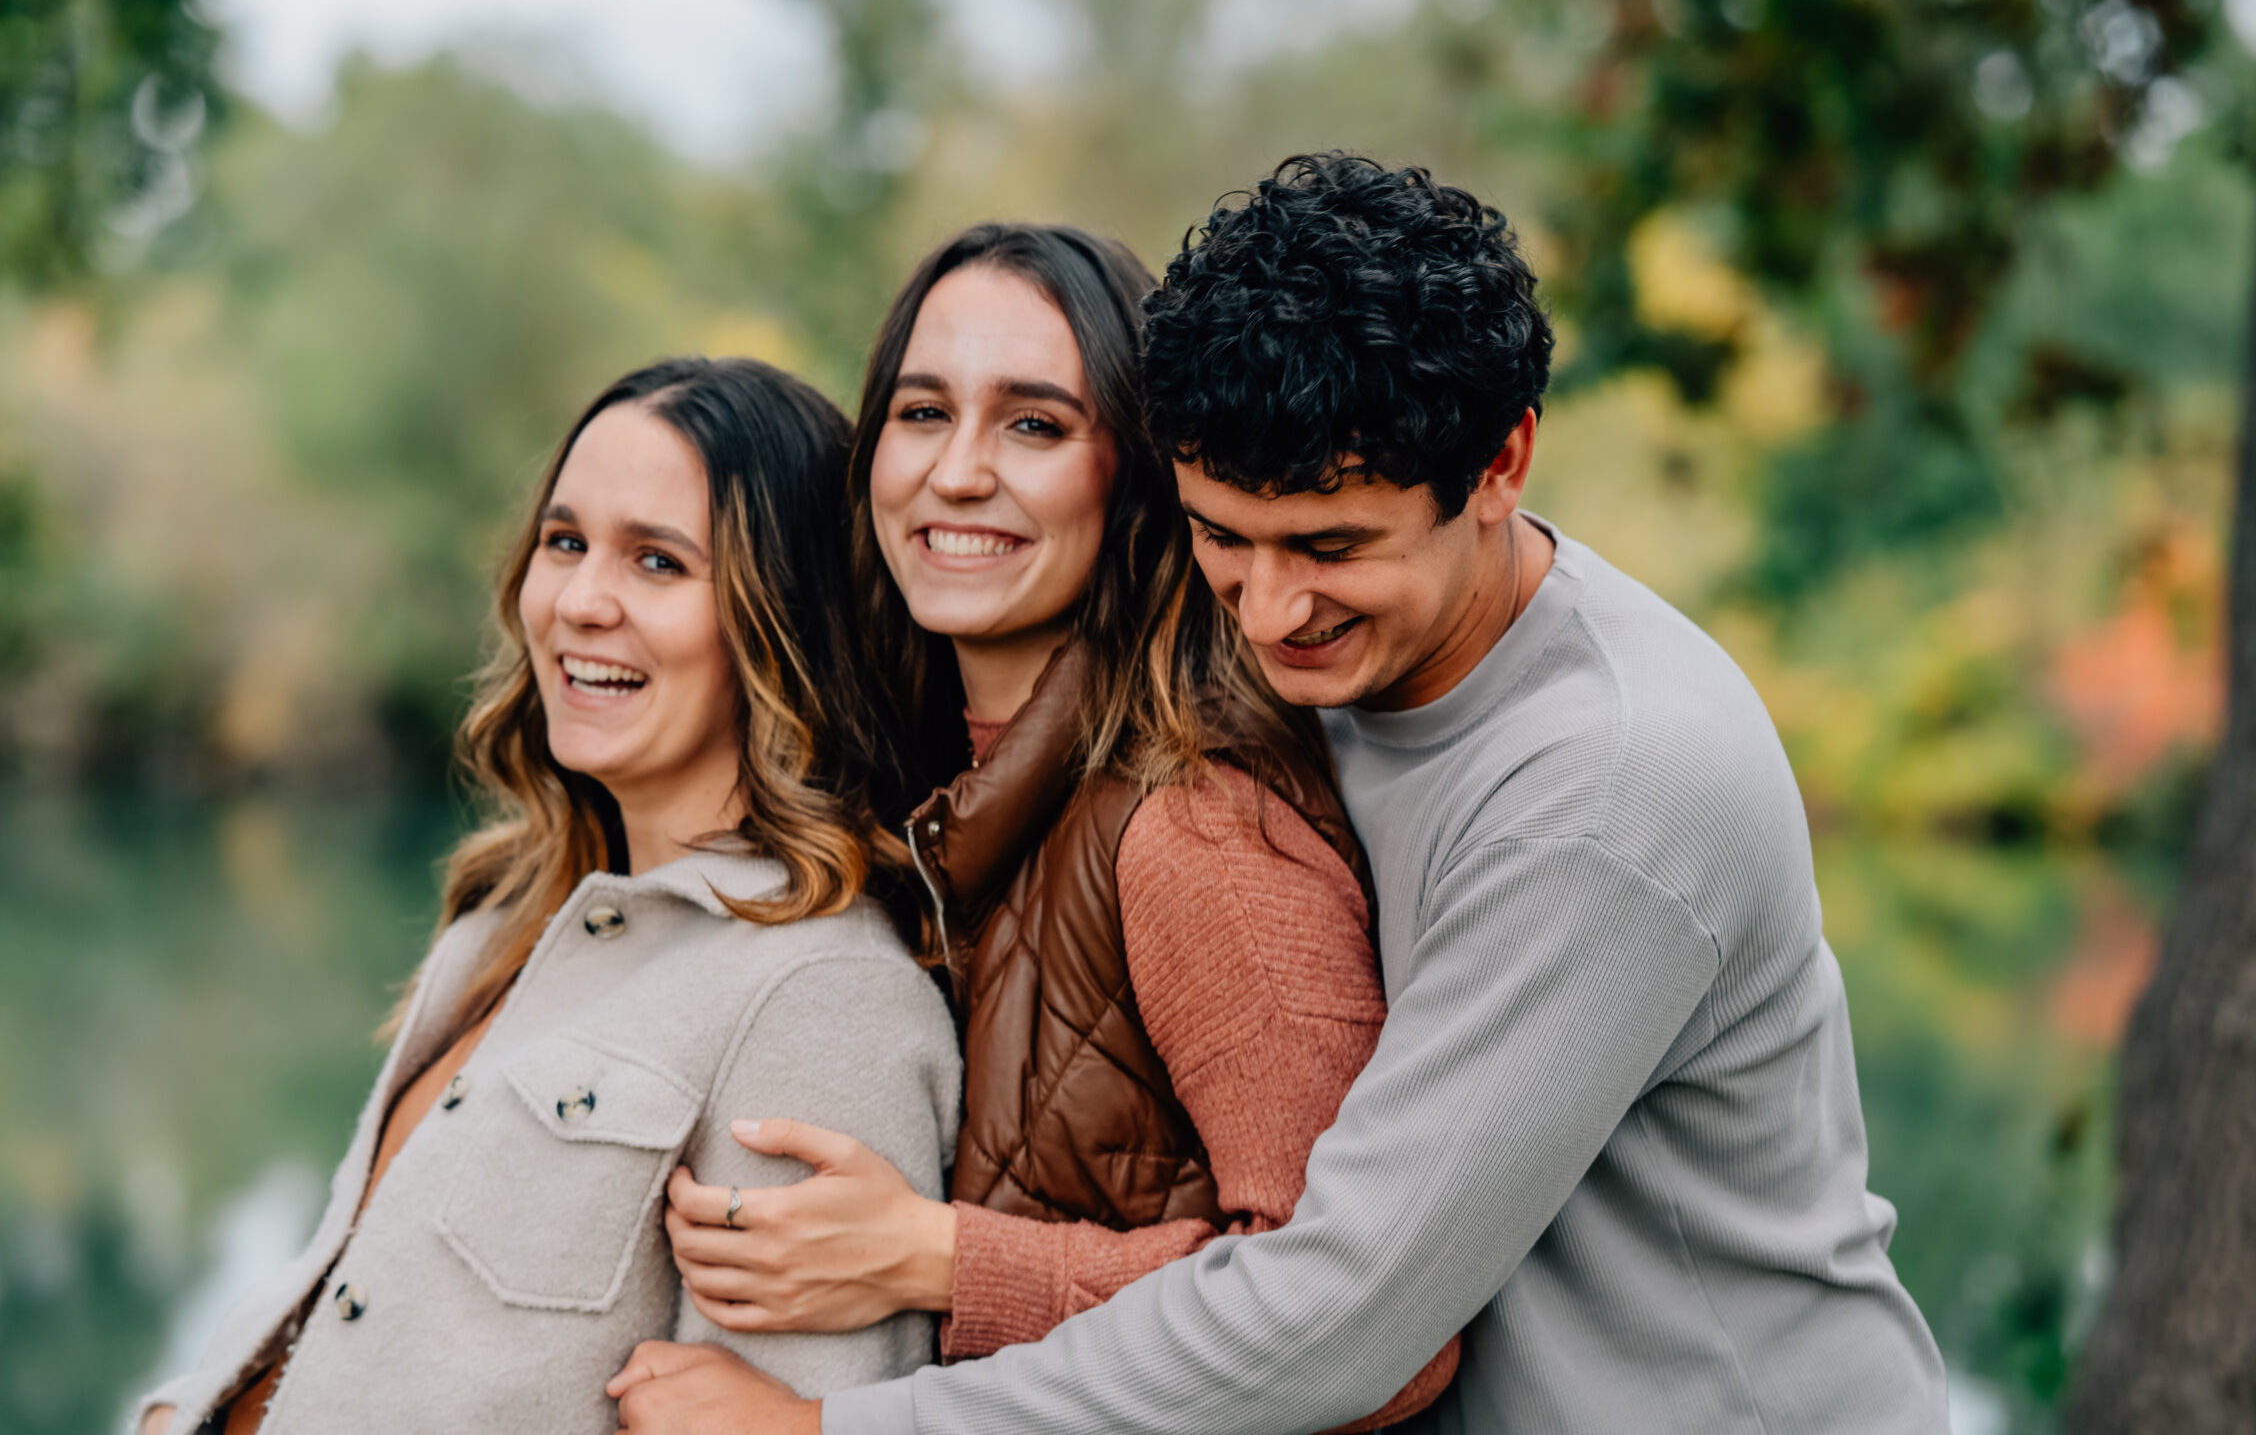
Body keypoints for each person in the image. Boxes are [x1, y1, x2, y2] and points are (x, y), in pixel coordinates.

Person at [607, 159, 1948, 1434]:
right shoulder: (1285, 667)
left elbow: (1344, 1312)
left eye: (1332, 547)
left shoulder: (1610, 790)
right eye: (1221, 539)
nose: (1272, 606)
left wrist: (846, 1415)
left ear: (1501, 464)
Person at [645, 224, 1455, 1426]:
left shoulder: (1197, 825)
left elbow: (1375, 1338)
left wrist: (936, 1258)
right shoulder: (930, 792)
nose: (958, 471)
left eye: (1033, 423)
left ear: (1136, 474)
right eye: (922, 412)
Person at [135, 358, 959, 1435]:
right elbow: (359, 1296)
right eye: (564, 542)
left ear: (779, 621)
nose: (578, 601)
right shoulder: (500, 919)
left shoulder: (819, 992)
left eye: (657, 561)